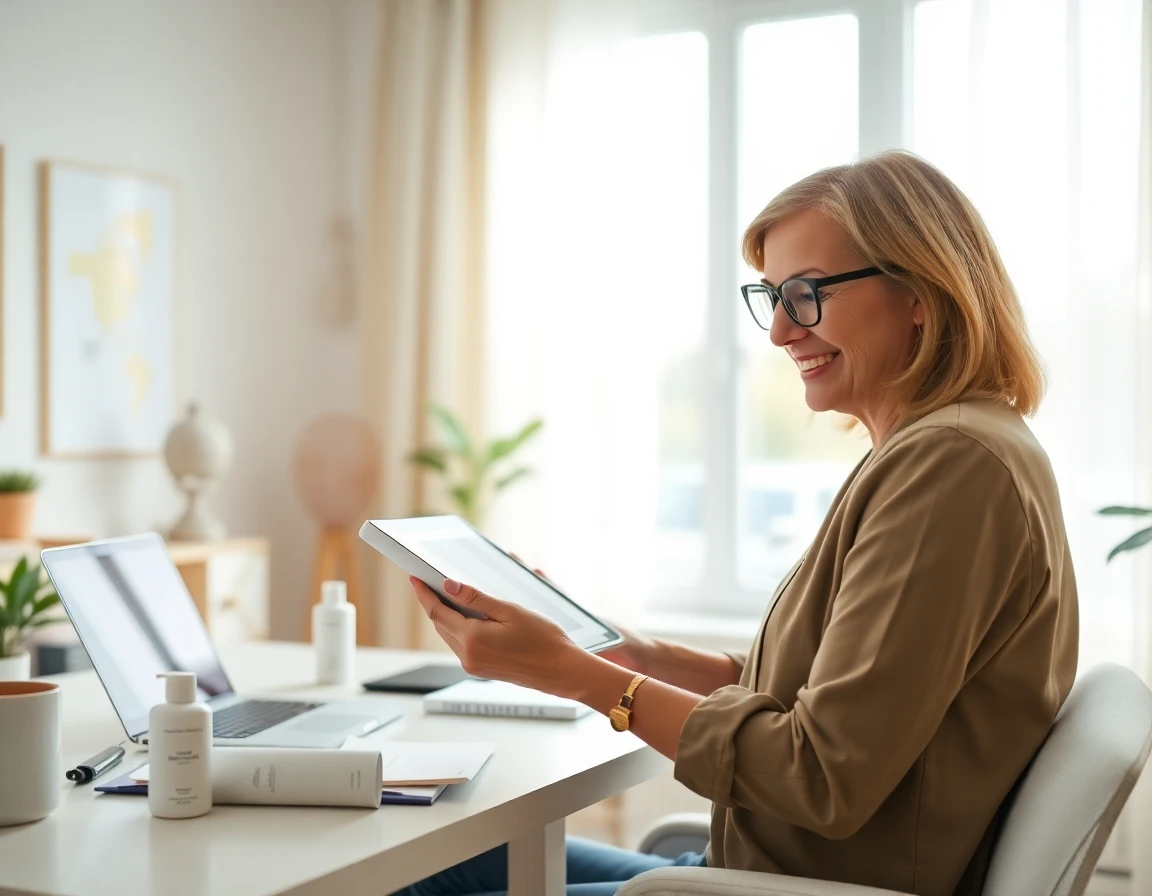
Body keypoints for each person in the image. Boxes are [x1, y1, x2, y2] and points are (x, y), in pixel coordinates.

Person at [394, 150, 1078, 896]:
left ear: (920, 292)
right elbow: (816, 691)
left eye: (808, 294)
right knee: (440, 858)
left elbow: (822, 775)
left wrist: (576, 675)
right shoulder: (945, 447)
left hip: (791, 888)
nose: (781, 331)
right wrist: (630, 652)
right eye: (773, 297)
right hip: (753, 873)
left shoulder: (950, 466)